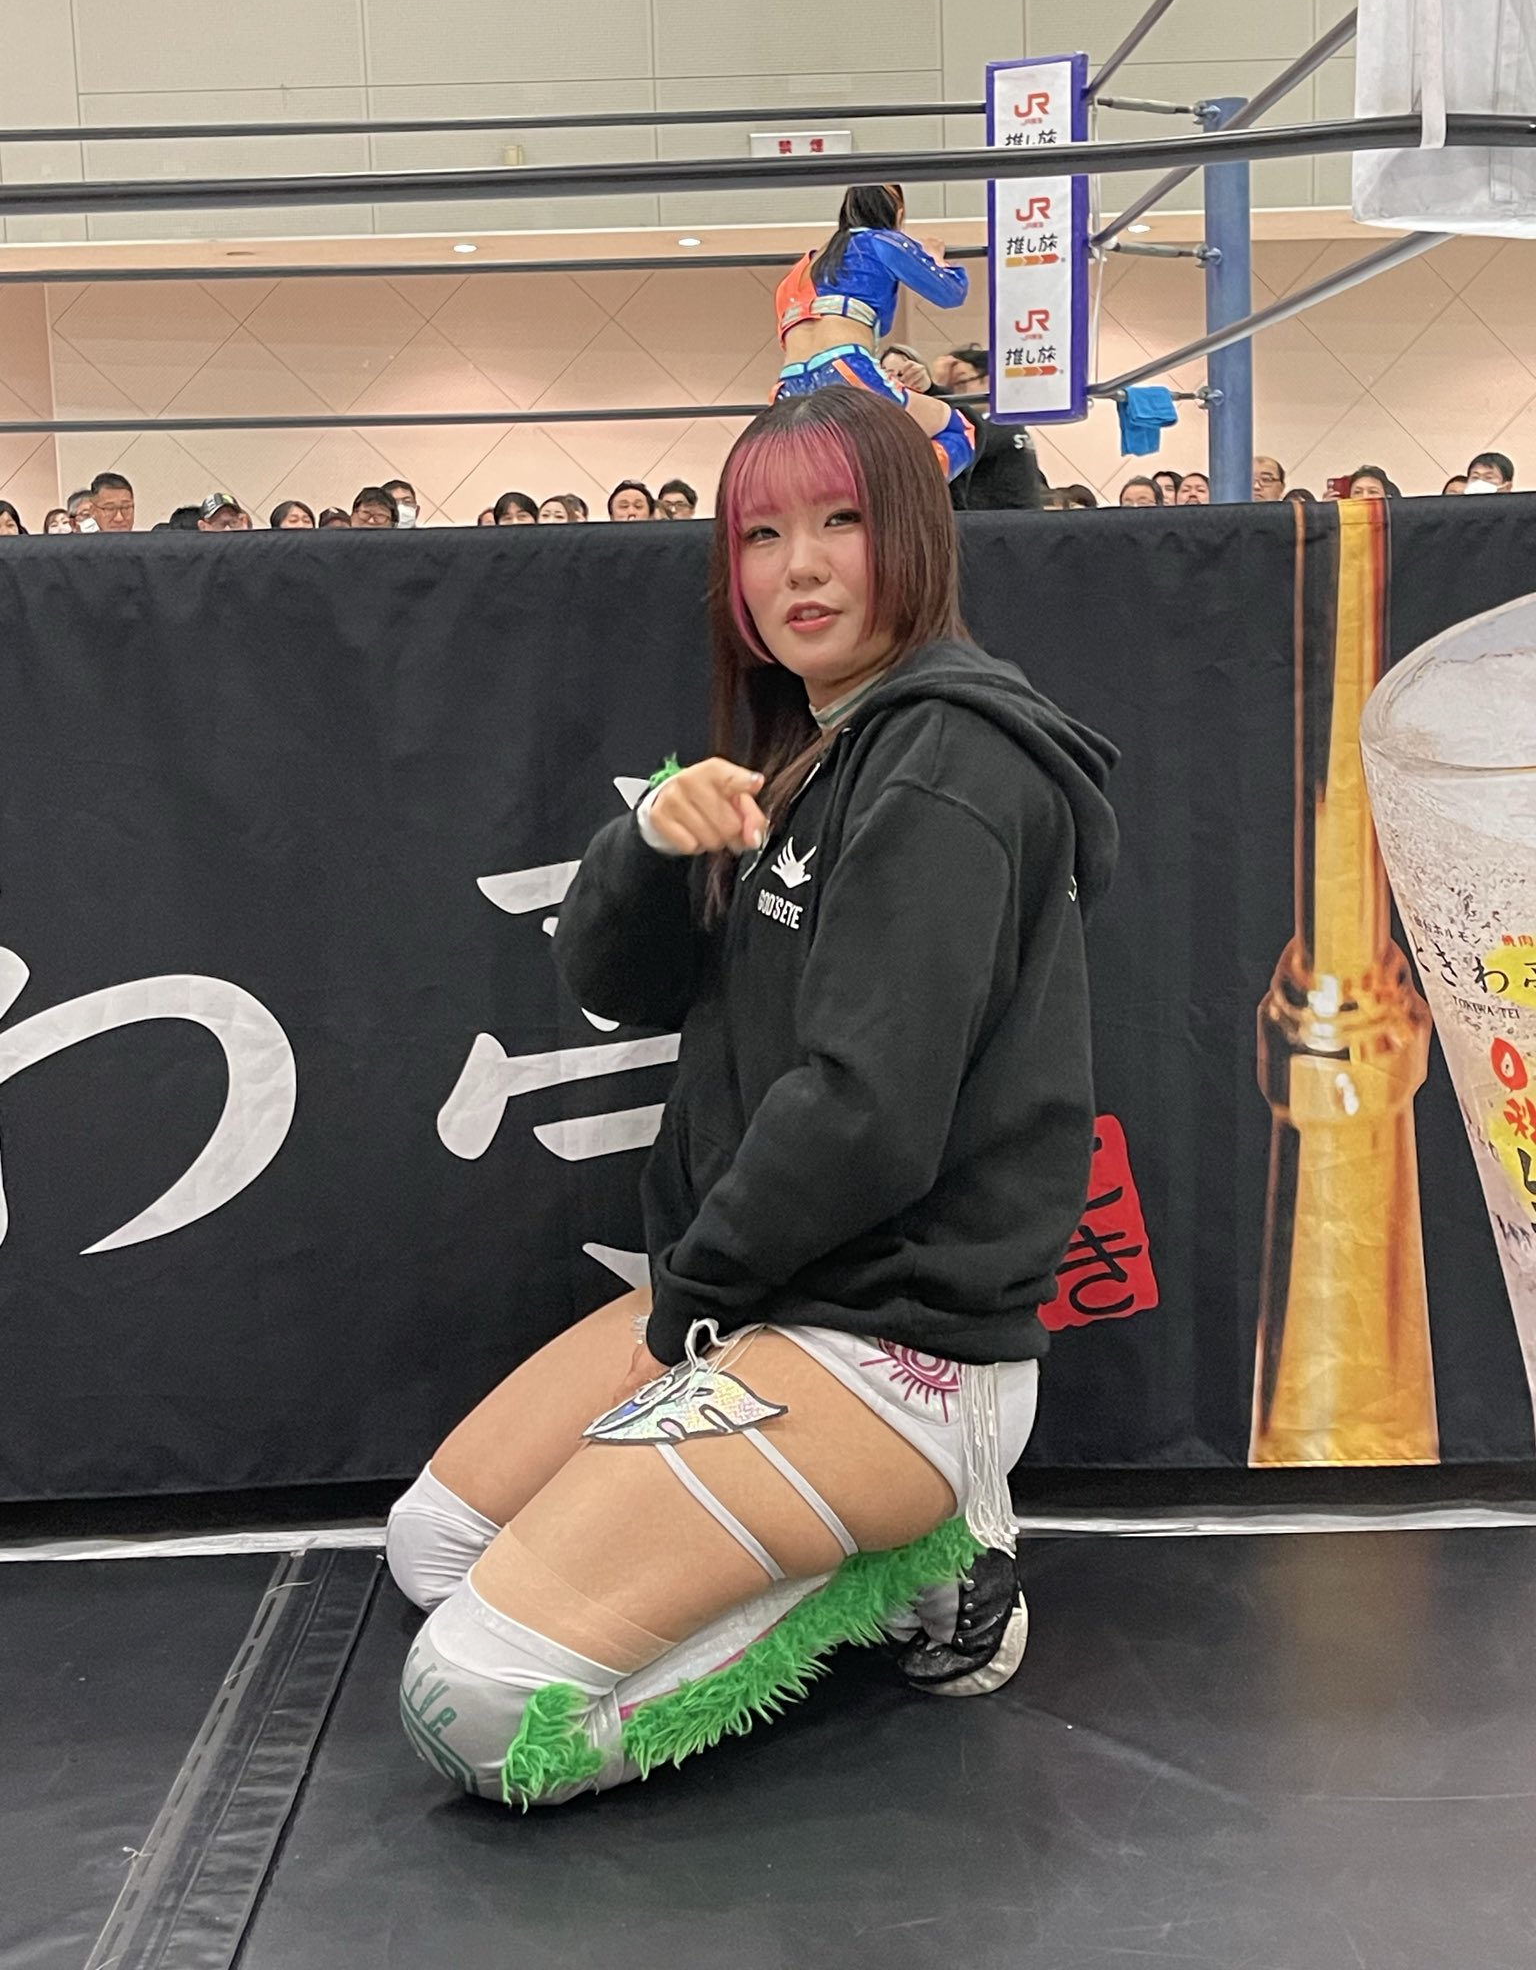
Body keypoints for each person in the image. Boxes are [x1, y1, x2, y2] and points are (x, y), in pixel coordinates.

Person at [385, 385, 1118, 1808]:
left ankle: (921, 1554)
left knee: (472, 1711)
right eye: (763, 534)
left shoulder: (950, 766)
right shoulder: (807, 748)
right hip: (762, 1301)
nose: (801, 566)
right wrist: (647, 844)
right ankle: (874, 1548)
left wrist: (692, 1307)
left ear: (914, 535)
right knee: (434, 1548)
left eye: (842, 521)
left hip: (894, 1346)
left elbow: (868, 1111)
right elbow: (624, 987)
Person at [773, 183, 976, 481]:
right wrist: (934, 257)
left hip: (788, 384)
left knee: (828, 468)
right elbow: (950, 292)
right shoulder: (880, 241)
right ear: (898, 212)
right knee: (959, 429)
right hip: (847, 368)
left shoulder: (800, 270)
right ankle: (899, 494)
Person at [935, 345, 1047, 512]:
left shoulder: (1003, 426)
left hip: (1002, 525)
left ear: (990, 380)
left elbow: (963, 441)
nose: (953, 392)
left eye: (960, 382)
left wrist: (938, 390)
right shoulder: (1008, 426)